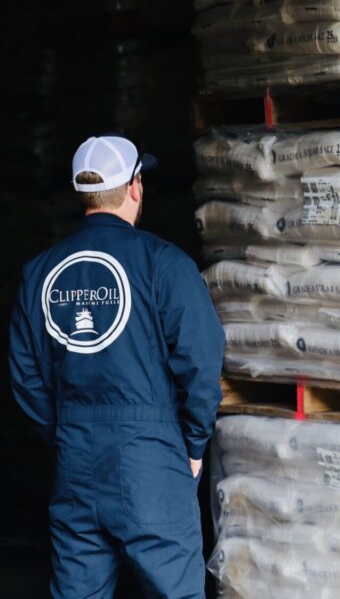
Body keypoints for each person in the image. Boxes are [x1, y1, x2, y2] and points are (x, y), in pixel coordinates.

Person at [8, 135, 224, 598]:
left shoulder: (39, 272)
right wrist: (192, 445)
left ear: (81, 193)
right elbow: (201, 363)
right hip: (152, 456)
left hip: (75, 459)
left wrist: (65, 432)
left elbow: (25, 375)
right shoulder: (165, 265)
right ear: (135, 187)